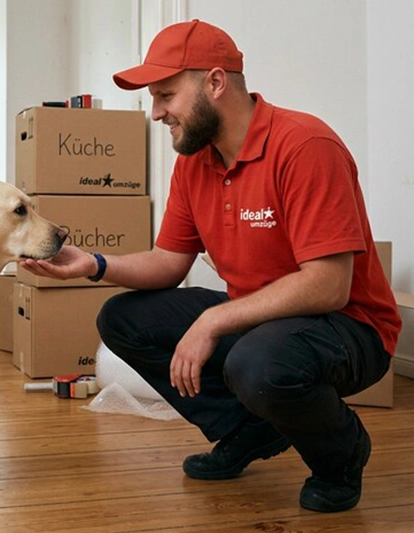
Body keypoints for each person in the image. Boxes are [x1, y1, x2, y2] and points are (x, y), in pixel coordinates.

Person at [20, 19, 401, 513]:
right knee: (122, 319)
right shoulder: (195, 162)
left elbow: (329, 285)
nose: (156, 113)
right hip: (265, 321)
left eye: (166, 96)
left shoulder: (305, 146)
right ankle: (249, 431)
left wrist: (214, 319)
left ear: (215, 83)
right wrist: (92, 263)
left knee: (258, 362)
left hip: (350, 327)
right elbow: (167, 263)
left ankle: (341, 455)